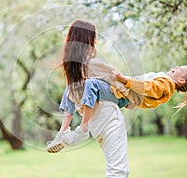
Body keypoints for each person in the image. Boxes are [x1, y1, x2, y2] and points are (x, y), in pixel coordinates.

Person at [48, 65, 187, 152]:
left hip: (121, 96)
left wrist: (123, 79)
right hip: (122, 94)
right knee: (73, 87)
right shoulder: (165, 82)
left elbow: (147, 87)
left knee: (91, 84)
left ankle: (83, 129)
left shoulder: (166, 85)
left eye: (179, 69)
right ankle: (62, 133)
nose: (175, 67)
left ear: (180, 80)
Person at [48, 19, 130, 177]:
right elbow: (121, 83)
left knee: (120, 170)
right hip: (109, 118)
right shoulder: (95, 64)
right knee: (118, 171)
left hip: (95, 124)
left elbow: (73, 98)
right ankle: (78, 130)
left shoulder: (73, 69)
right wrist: (131, 99)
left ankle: (62, 132)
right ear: (88, 41)